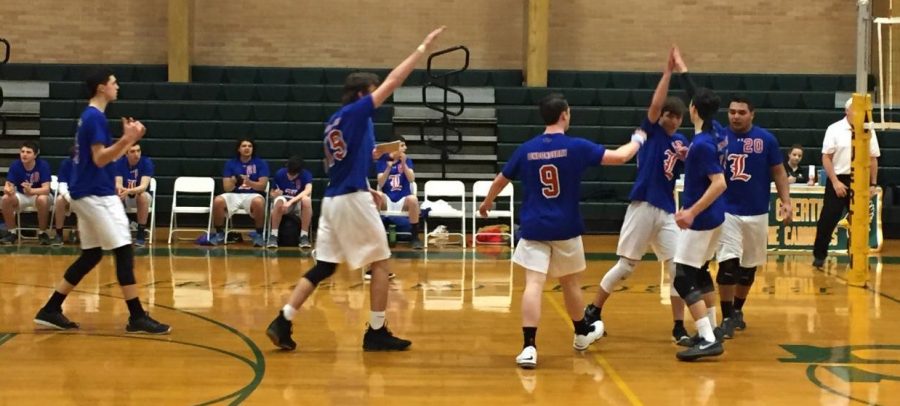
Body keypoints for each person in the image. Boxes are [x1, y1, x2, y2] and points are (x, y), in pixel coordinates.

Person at [265, 26, 446, 352]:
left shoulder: (336, 121)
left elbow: (350, 158)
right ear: (363, 93)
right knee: (381, 262)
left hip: (335, 199)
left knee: (324, 266)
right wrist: (422, 48)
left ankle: (284, 318)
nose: (378, 95)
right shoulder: (356, 110)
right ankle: (376, 331)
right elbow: (394, 81)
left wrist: (368, 184)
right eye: (373, 91)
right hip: (349, 199)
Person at [479, 92, 647, 369]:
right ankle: (581, 334)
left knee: (533, 284)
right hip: (565, 227)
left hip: (534, 227)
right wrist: (638, 139)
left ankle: (529, 348)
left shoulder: (527, 148)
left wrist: (487, 203)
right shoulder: (575, 146)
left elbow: (501, 180)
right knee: (570, 283)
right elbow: (619, 157)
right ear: (565, 115)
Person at [33, 67, 170, 334]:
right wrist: (128, 139)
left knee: (92, 255)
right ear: (101, 88)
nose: (117, 86)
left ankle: (50, 309)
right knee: (123, 250)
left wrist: (125, 141)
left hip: (88, 191)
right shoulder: (94, 118)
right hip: (96, 194)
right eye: (113, 83)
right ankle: (137, 317)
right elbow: (99, 159)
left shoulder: (92, 117)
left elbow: (105, 158)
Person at [583, 48, 692, 345]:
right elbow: (655, 105)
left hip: (667, 210)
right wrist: (668, 72)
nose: (672, 120)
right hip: (644, 204)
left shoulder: (681, 141)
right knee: (626, 266)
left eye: (677, 117)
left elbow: (692, 166)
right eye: (669, 115)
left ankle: (678, 326)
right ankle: (593, 309)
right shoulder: (652, 131)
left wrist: (688, 155)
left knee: (676, 269)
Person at [715, 96, 792, 339]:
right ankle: (726, 316)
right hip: (727, 210)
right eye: (732, 112)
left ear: (752, 114)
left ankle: (737, 310)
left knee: (748, 269)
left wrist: (786, 201)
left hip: (757, 211)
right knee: (728, 266)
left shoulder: (766, 139)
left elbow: (779, 172)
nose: (735, 116)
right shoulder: (719, 138)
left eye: (741, 112)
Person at [669, 46, 727, 361]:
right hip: (717, 218)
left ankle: (707, 338)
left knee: (682, 277)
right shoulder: (716, 131)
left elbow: (719, 183)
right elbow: (698, 97)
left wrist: (690, 211)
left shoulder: (704, 143)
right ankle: (713, 328)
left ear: (692, 110)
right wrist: (683, 68)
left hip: (701, 220)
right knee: (701, 271)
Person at [812, 98, 880, 269]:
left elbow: (873, 158)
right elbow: (826, 157)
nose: (859, 113)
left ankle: (857, 258)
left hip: (860, 179)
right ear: (847, 111)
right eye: (855, 109)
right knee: (828, 219)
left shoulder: (868, 130)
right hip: (839, 178)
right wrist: (835, 182)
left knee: (860, 222)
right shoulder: (834, 129)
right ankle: (819, 256)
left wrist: (872, 184)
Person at [209, 139, 270, 247]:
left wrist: (248, 182)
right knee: (218, 200)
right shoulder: (230, 163)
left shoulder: (261, 163)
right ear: (239, 149)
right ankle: (219, 233)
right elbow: (227, 188)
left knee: (259, 202)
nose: (247, 148)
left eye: (250, 146)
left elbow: (262, 186)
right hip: (234, 194)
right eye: (244, 146)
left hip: (253, 194)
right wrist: (233, 181)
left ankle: (259, 234)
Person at [376, 135, 423, 250]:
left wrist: (403, 164)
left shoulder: (407, 160)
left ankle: (415, 237)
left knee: (413, 199)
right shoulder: (382, 160)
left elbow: (411, 179)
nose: (405, 148)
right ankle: (376, 236)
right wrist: (388, 168)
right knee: (377, 196)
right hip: (388, 199)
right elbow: (380, 183)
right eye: (402, 145)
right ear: (394, 147)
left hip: (403, 200)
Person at [1, 141, 53, 245]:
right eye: (22, 151)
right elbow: (8, 184)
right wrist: (8, 189)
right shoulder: (15, 165)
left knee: (42, 199)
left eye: (28, 152)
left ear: (35, 155)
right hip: (22, 195)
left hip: (39, 194)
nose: (24, 154)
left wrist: (32, 191)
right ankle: (12, 233)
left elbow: (46, 190)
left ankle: (42, 233)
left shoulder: (43, 165)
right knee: (5, 198)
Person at [266, 155, 313, 249]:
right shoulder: (280, 173)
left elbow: (308, 190)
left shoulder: (306, 174)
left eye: (293, 174)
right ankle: (273, 235)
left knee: (306, 200)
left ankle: (304, 236)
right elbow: (271, 193)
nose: (290, 176)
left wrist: (291, 202)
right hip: (283, 203)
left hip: (297, 202)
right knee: (279, 200)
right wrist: (275, 194)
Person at [114, 142, 154, 247]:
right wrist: (123, 191)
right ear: (126, 154)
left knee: (142, 196)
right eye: (132, 151)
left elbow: (143, 186)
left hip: (141, 196)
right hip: (126, 195)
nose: (136, 154)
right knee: (116, 195)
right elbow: (118, 184)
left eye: (138, 151)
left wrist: (129, 191)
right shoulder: (119, 163)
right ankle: (119, 230)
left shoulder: (146, 162)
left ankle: (141, 233)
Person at [51, 146, 78, 246]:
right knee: (59, 200)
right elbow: (62, 185)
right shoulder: (66, 164)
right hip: (69, 195)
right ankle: (59, 234)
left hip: (84, 195)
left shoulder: (90, 164)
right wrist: (69, 198)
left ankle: (79, 232)